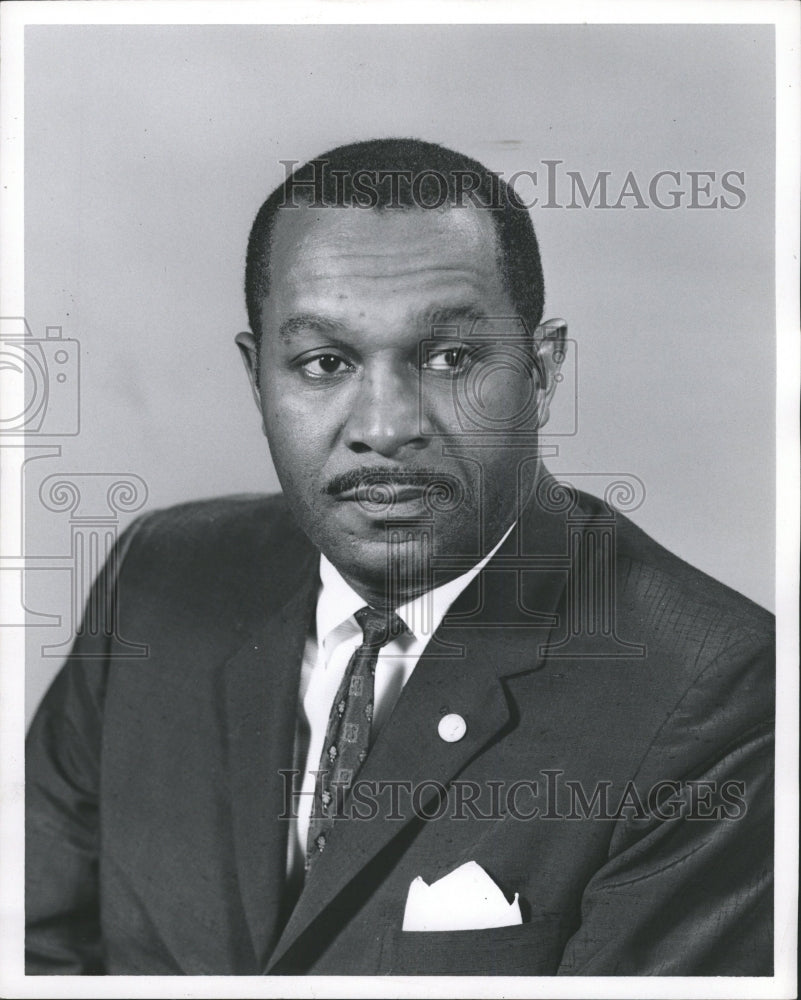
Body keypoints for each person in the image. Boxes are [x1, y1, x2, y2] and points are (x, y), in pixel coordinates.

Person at [25, 138, 774, 976]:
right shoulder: (159, 578)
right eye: (324, 363)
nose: (384, 427)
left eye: (450, 359)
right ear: (257, 377)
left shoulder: (712, 692)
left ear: (543, 368)